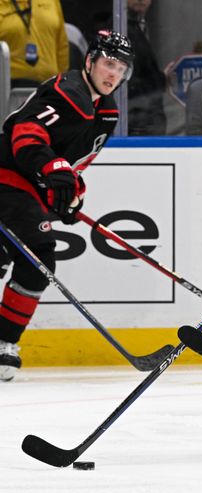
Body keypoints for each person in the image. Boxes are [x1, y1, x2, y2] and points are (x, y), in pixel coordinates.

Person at [0, 30, 133, 381]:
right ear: (89, 61)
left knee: (25, 259)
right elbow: (25, 134)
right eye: (108, 64)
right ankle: (3, 342)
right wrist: (52, 168)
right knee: (38, 255)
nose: (113, 75)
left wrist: (72, 191)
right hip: (6, 176)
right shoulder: (66, 91)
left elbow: (74, 164)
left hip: (26, 187)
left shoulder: (106, 112)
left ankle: (2, 341)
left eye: (121, 69)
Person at [0, 0, 69, 87]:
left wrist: (61, 83)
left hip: (48, 85)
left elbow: (62, 47)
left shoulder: (52, 2)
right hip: (8, 88)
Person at [125, 0, 166, 135]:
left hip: (144, 119)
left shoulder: (139, 26)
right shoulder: (119, 30)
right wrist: (159, 80)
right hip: (134, 122)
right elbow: (128, 81)